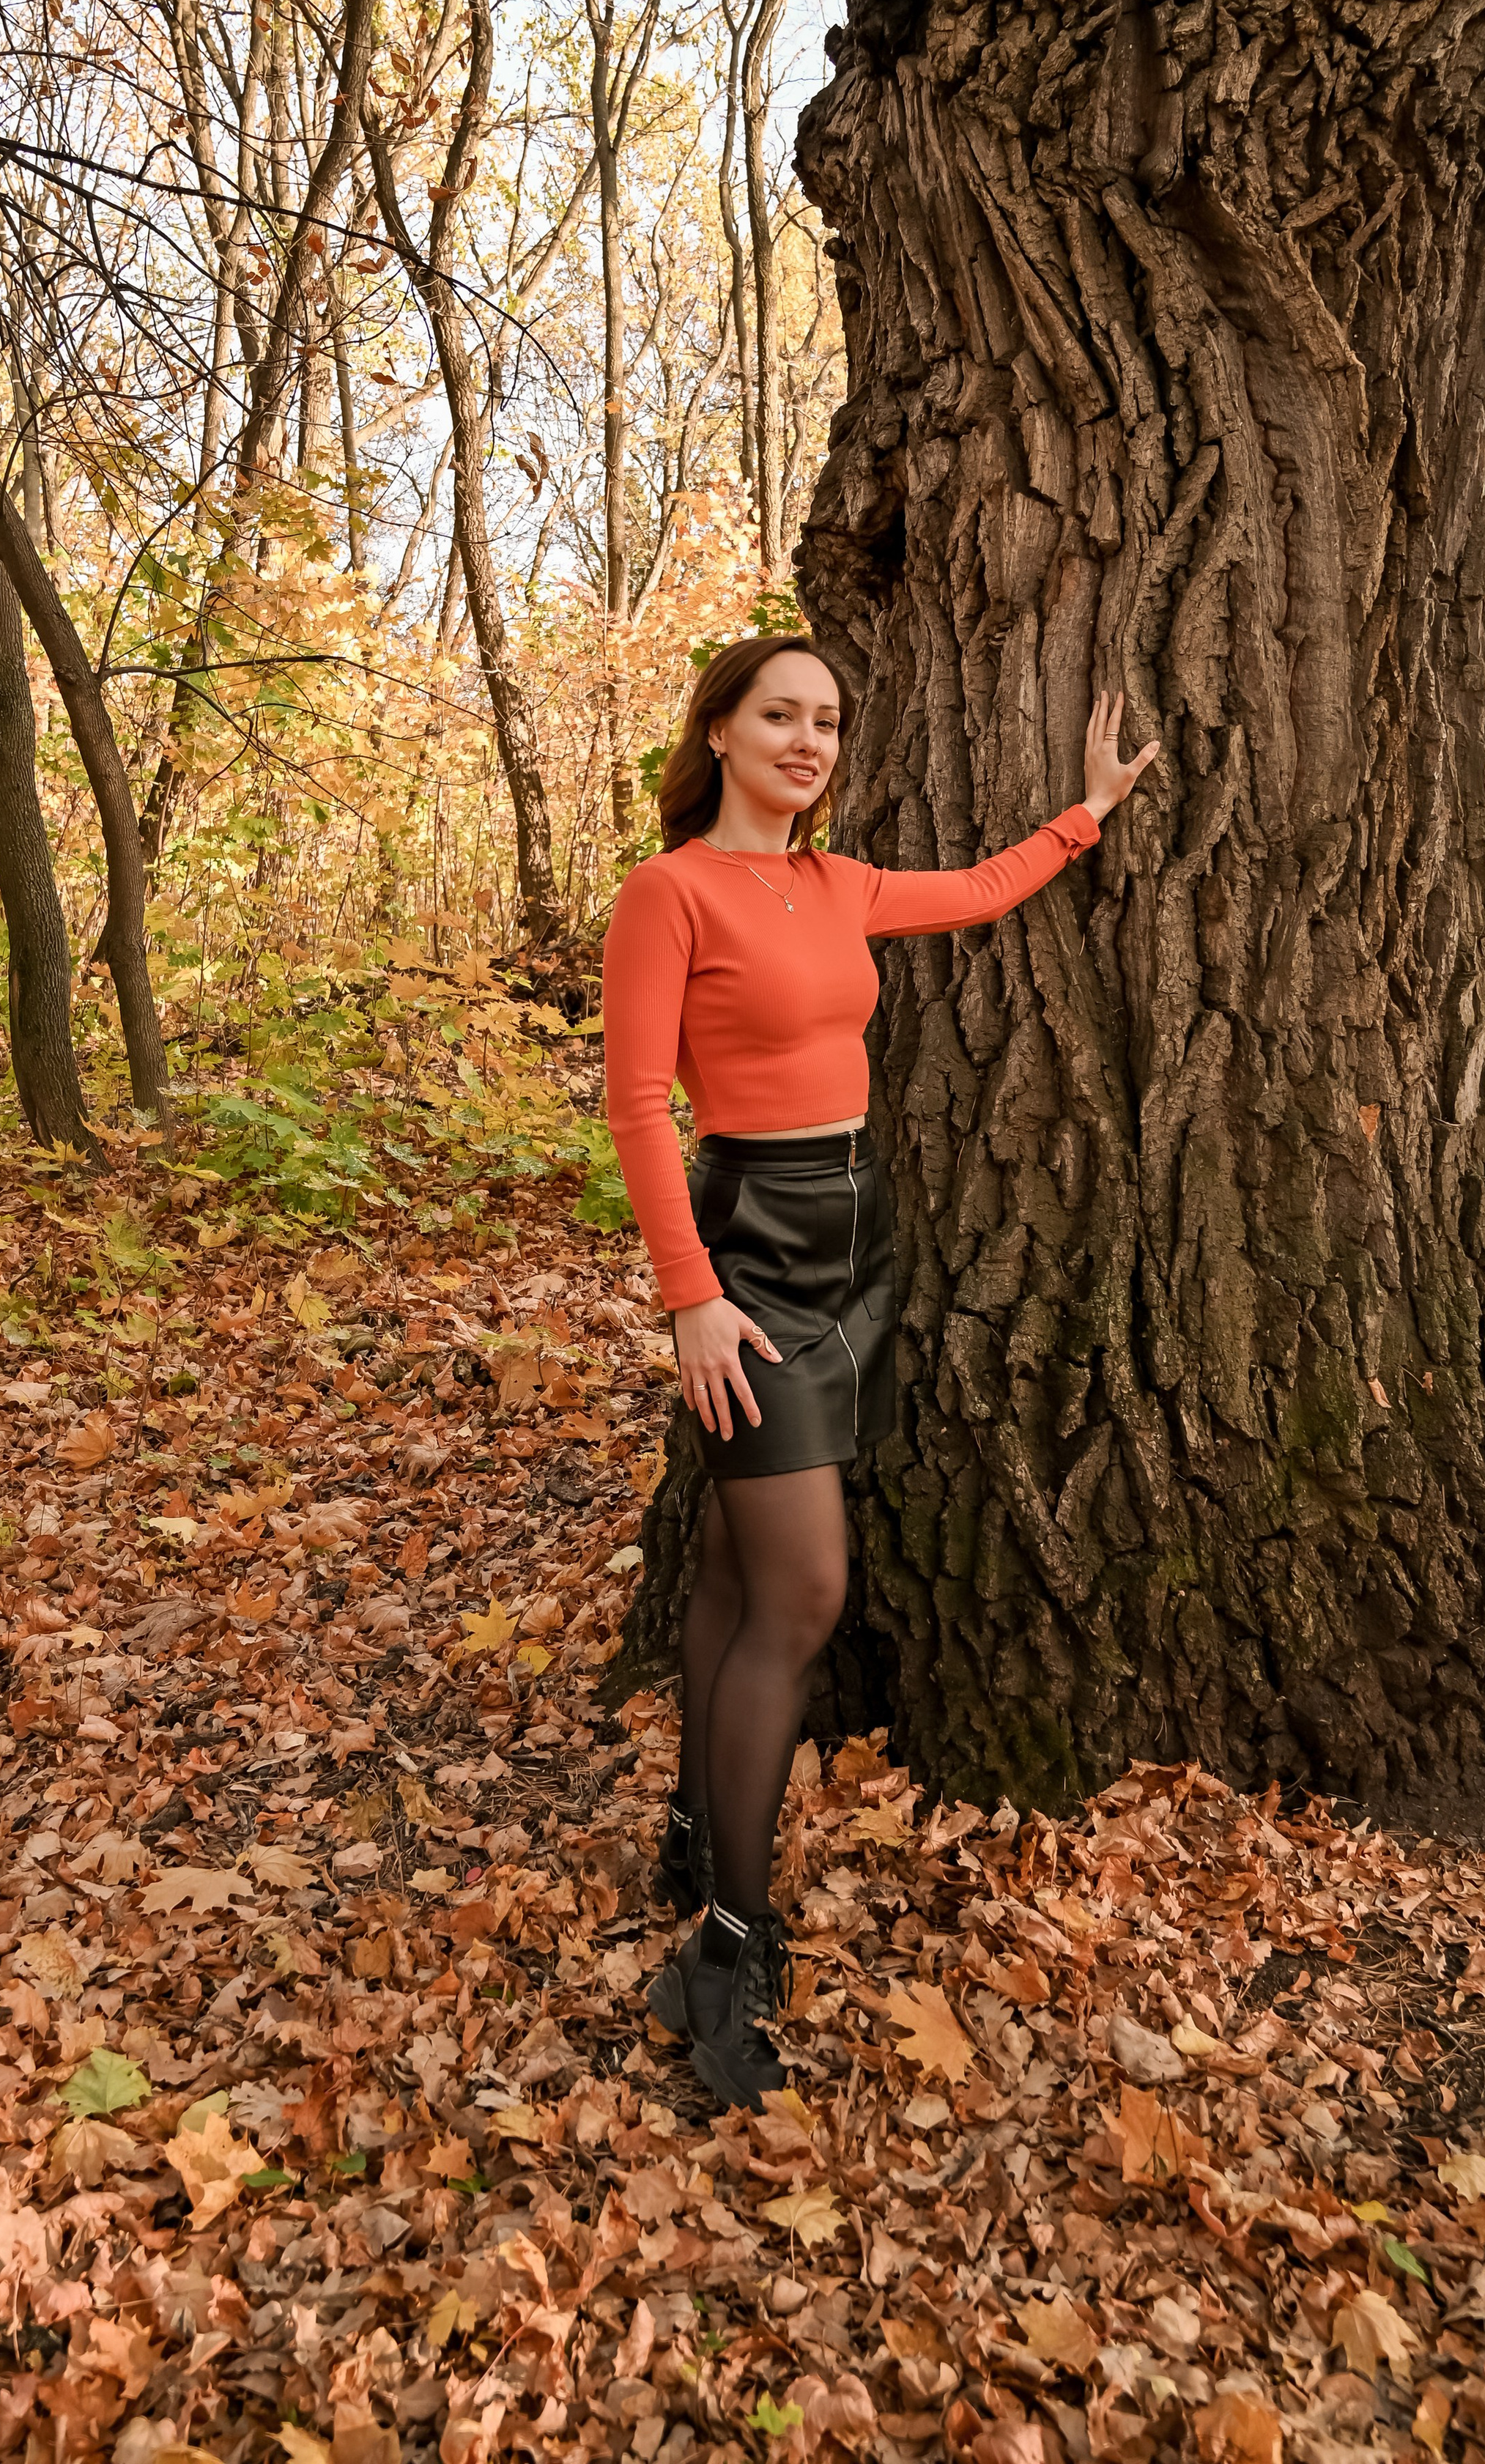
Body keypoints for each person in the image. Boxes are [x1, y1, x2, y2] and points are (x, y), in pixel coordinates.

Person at [600, 634, 1158, 2109]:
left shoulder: (834, 884)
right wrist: (689, 1299)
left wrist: (1084, 812)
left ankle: (693, 1831)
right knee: (801, 1593)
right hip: (749, 1248)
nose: (806, 740)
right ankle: (723, 1944)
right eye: (777, 714)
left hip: (860, 1245)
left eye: (827, 721)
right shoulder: (667, 893)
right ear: (718, 729)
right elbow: (637, 1110)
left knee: (733, 1571)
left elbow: (973, 890)